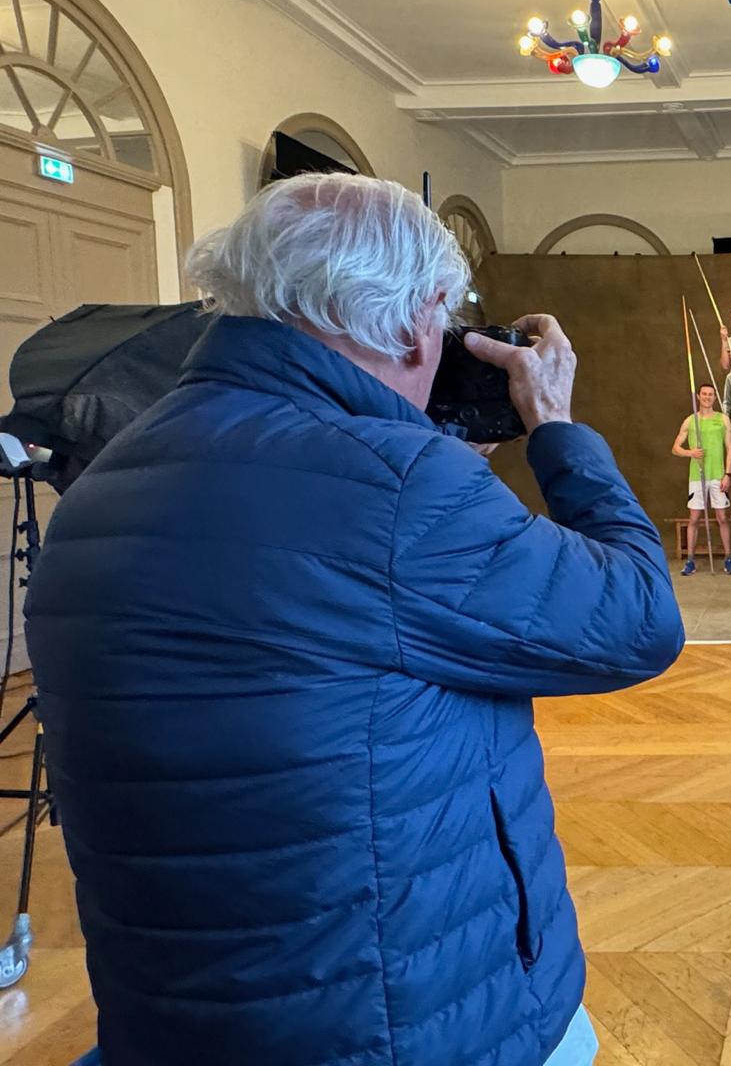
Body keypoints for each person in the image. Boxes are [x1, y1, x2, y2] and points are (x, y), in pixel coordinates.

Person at [22, 174, 684, 1066]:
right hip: (411, 1019)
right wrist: (556, 426)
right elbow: (638, 616)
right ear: (416, 322)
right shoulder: (403, 490)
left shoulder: (104, 482)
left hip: (178, 1015)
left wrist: (424, 455)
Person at [672, 383, 731, 576]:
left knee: (722, 518)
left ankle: (728, 559)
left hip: (717, 475)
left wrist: (728, 474)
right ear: (698, 397)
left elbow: (730, 448)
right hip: (697, 476)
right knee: (694, 518)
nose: (707, 397)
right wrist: (690, 452)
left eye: (711, 394)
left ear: (714, 398)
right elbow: (675, 448)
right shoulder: (691, 421)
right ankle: (690, 561)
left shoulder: (722, 419)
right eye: (704, 394)